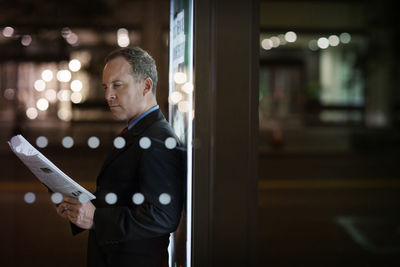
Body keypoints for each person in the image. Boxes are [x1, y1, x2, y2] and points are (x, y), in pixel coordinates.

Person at [55, 47, 185, 267]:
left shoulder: (157, 139)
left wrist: (95, 218)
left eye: (117, 85)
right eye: (106, 87)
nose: (108, 95)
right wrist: (79, 208)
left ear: (146, 86)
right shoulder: (140, 131)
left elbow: (163, 216)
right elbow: (124, 195)